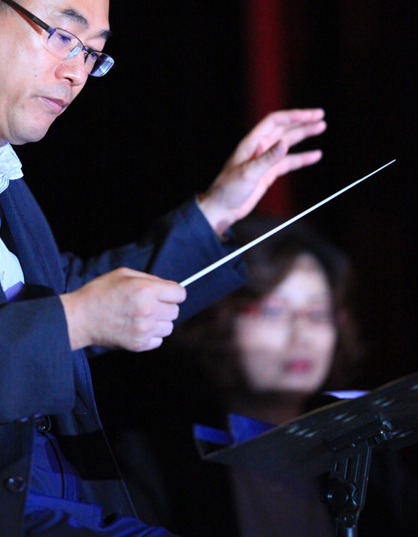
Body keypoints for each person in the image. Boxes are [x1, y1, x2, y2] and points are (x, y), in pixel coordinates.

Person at [0, 0, 327, 537]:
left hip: (54, 499)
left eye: (92, 53)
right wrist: (76, 320)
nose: (75, 73)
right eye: (62, 36)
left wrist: (216, 210)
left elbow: (70, 293)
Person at [100, 218, 416, 536]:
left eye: (318, 313)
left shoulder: (367, 451)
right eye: (272, 311)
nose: (302, 335)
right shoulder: (157, 459)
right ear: (220, 320)